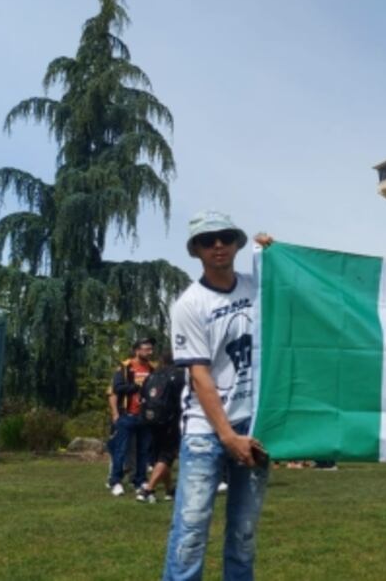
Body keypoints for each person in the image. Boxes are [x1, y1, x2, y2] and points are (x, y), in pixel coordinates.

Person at [163, 211, 270, 581]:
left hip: (254, 422)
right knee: (191, 530)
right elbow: (200, 375)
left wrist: (275, 259)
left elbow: (297, 300)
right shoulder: (189, 305)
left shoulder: (258, 287)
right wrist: (227, 436)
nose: (218, 245)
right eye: (208, 241)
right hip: (206, 429)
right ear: (196, 251)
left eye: (225, 237)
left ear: (238, 242)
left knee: (244, 532)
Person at [108, 337, 155, 496]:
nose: (150, 351)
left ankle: (140, 480)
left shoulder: (152, 368)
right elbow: (117, 387)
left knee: (143, 451)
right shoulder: (125, 367)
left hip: (145, 416)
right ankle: (115, 481)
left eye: (151, 349)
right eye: (146, 348)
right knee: (121, 450)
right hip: (127, 414)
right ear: (137, 350)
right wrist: (136, 387)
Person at [137, 351, 186, 503]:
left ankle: (169, 490)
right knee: (167, 455)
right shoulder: (179, 376)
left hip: (151, 419)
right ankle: (148, 489)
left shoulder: (151, 376)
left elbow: (142, 396)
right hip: (171, 420)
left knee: (160, 456)